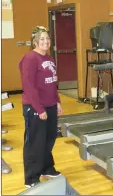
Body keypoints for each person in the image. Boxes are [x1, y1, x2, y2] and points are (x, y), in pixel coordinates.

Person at [19, 26, 63, 188]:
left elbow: (52, 83)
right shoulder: (30, 58)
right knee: (35, 143)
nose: (46, 41)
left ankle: (46, 168)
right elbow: (28, 86)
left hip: (50, 105)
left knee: (49, 139)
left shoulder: (49, 59)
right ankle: (31, 178)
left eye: (47, 38)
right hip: (35, 107)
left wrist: (57, 102)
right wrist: (39, 109)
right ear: (35, 42)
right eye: (42, 39)